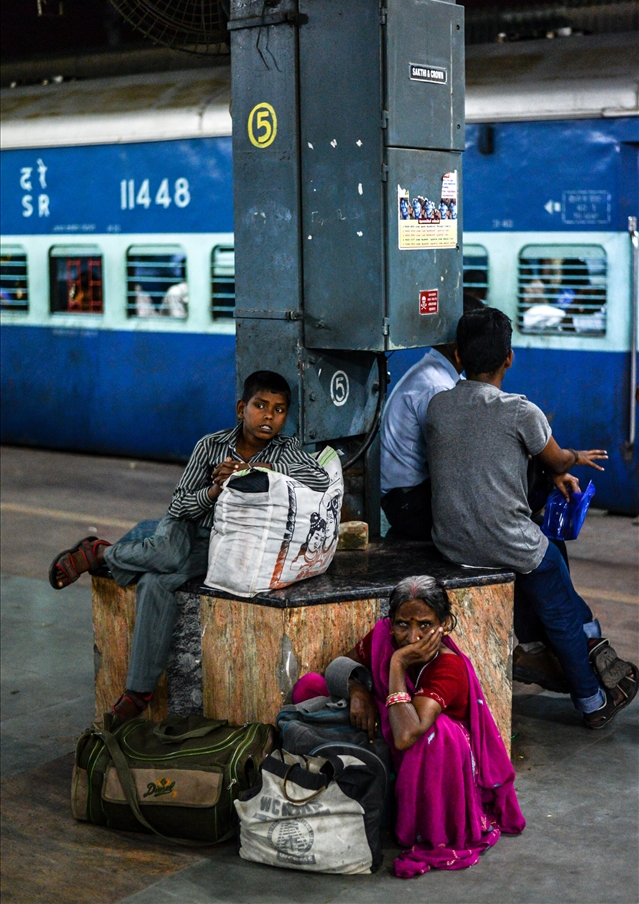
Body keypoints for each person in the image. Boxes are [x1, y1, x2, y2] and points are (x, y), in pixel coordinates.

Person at [48, 370, 330, 722]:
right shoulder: (210, 446)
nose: (269, 416)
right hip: (185, 528)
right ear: (242, 408)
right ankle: (99, 554)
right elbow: (179, 506)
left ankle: (137, 687)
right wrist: (215, 489)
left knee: (156, 580)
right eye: (260, 406)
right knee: (167, 552)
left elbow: (318, 478)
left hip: (223, 543)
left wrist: (262, 468)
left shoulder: (286, 448)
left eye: (279, 409)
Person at [426, 307, 638, 729]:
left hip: (451, 542)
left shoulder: (438, 406)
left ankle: (564, 648)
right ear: (509, 358)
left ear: (458, 356)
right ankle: (593, 698)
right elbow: (555, 458)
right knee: (557, 594)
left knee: (548, 576)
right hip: (506, 542)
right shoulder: (521, 411)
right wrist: (573, 459)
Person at [292, 577, 526, 878]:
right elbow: (339, 665)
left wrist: (398, 664)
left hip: (430, 755)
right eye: (403, 624)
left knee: (437, 731)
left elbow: (405, 735)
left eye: (425, 625)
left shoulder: (447, 666)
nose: (412, 636)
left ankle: (407, 813)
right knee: (310, 687)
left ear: (445, 623)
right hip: (384, 722)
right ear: (391, 623)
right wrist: (358, 691)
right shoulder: (382, 636)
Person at [380, 294, 485, 541]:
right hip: (408, 501)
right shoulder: (436, 387)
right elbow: (452, 460)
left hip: (413, 493)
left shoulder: (441, 374)